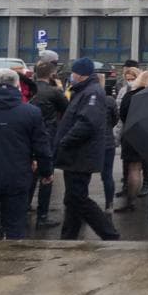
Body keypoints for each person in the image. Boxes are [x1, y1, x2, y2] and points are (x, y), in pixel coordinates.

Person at [0, 69, 54, 239]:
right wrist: (46, 172)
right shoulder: (31, 112)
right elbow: (42, 147)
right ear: (18, 85)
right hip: (17, 178)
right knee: (15, 228)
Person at [54, 58, 120, 240]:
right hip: (76, 155)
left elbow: (87, 123)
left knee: (78, 198)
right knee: (72, 198)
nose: (71, 76)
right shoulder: (84, 91)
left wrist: (65, 141)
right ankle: (69, 236)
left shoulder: (92, 93)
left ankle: (109, 233)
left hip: (80, 154)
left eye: (73, 72)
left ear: (80, 74)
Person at [30, 60, 68, 230]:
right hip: (47, 137)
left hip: (28, 137)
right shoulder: (54, 92)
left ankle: (24, 207)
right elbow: (67, 109)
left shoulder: (29, 90)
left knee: (30, 174)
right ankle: (42, 216)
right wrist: (59, 88)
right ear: (53, 75)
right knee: (46, 176)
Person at [115, 70, 148, 213]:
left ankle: (130, 201)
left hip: (132, 133)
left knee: (133, 169)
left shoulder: (130, 96)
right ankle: (146, 187)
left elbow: (122, 115)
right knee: (146, 166)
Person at [99, 75, 119, 211]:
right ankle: (109, 204)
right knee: (107, 175)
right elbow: (115, 118)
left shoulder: (84, 97)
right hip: (107, 142)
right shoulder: (110, 100)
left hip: (91, 143)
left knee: (84, 175)